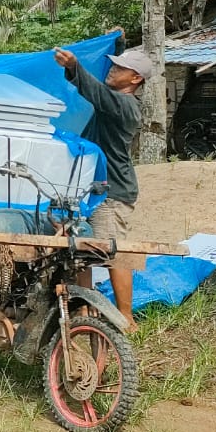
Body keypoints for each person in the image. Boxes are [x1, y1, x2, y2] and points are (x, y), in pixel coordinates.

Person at [54, 41, 149, 327]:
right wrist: (117, 41)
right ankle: (84, 311)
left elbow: (95, 92)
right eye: (114, 64)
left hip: (111, 193)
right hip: (91, 189)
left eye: (121, 68)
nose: (112, 70)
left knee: (112, 252)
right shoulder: (116, 98)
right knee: (83, 249)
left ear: (135, 79)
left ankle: (126, 318)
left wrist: (73, 67)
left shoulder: (124, 104)